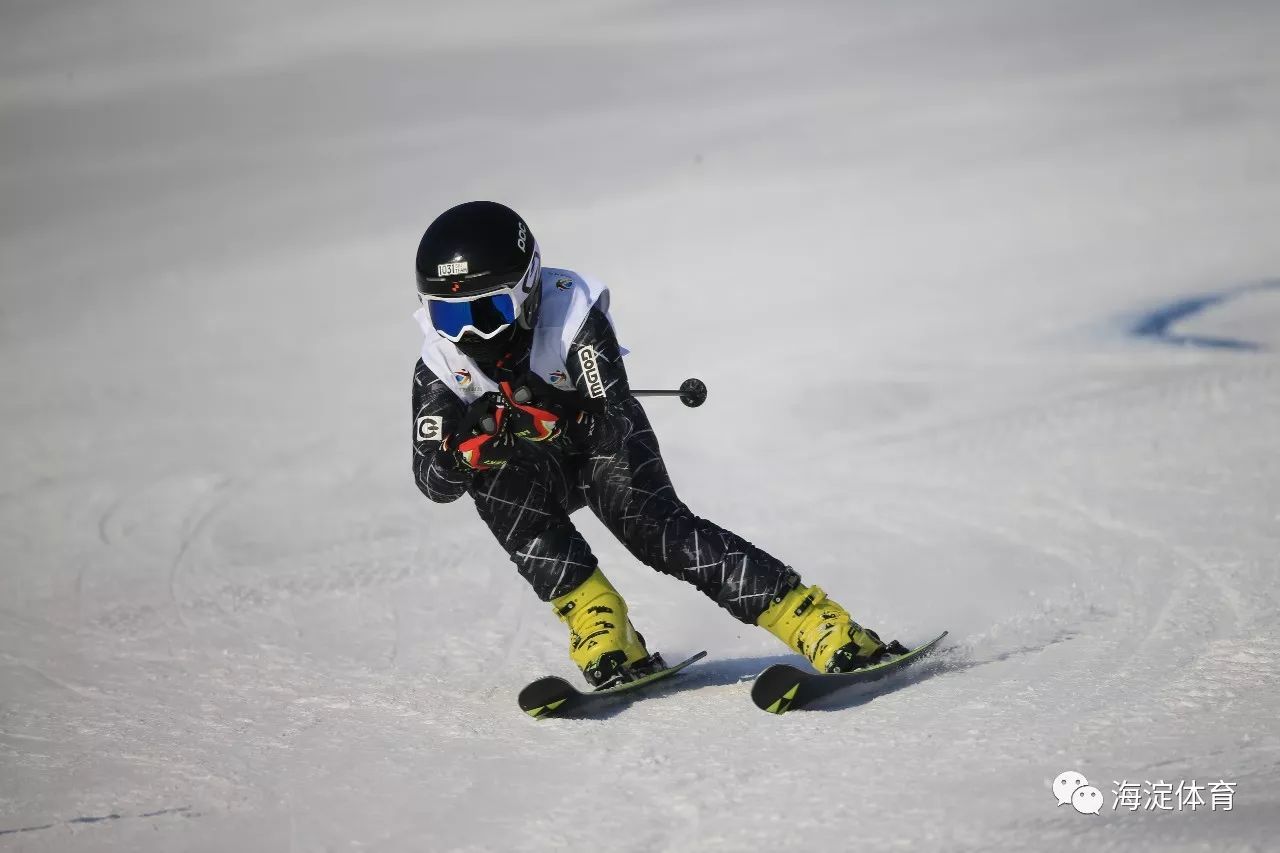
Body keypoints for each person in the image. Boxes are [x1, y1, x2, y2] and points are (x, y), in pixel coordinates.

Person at [411, 201, 904, 687]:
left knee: (653, 529)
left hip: (603, 445)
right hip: (534, 471)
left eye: (490, 311)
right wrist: (465, 452)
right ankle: (603, 626)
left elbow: (611, 419)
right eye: (449, 318)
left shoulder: (570, 313)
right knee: (491, 481)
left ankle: (820, 624)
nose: (472, 334)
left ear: (528, 289)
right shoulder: (438, 363)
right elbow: (432, 481)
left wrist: (552, 413)